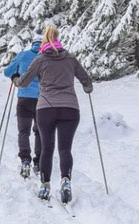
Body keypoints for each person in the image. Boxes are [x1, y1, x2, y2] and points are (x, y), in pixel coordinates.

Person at [13, 25, 93, 203]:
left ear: (44, 41)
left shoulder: (40, 60)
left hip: (46, 108)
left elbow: (24, 82)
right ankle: (65, 180)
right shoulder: (70, 58)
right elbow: (86, 80)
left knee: (47, 149)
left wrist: (15, 80)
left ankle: (45, 186)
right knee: (65, 149)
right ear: (58, 39)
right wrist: (87, 88)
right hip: (70, 108)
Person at [3, 29, 43, 178]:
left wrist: (16, 75)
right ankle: (38, 162)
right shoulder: (46, 57)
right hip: (42, 100)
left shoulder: (24, 55)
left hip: (24, 98)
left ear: (33, 43)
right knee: (40, 132)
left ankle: (25, 160)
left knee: (23, 131)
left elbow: (7, 72)